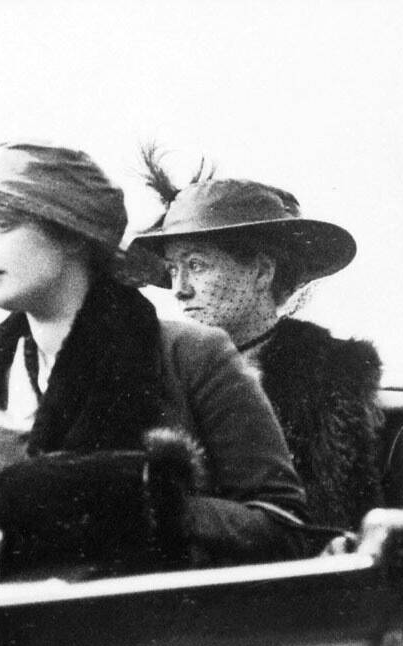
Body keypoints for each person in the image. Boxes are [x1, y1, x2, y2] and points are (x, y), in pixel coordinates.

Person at [0, 141, 308, 577]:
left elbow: (284, 527)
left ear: (70, 233)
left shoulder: (188, 352)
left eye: (1, 223)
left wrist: (143, 503)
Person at [132, 160, 384, 535]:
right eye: (173, 270)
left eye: (197, 265)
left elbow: (327, 525)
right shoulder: (158, 368)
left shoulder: (325, 377)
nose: (180, 289)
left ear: (262, 273)